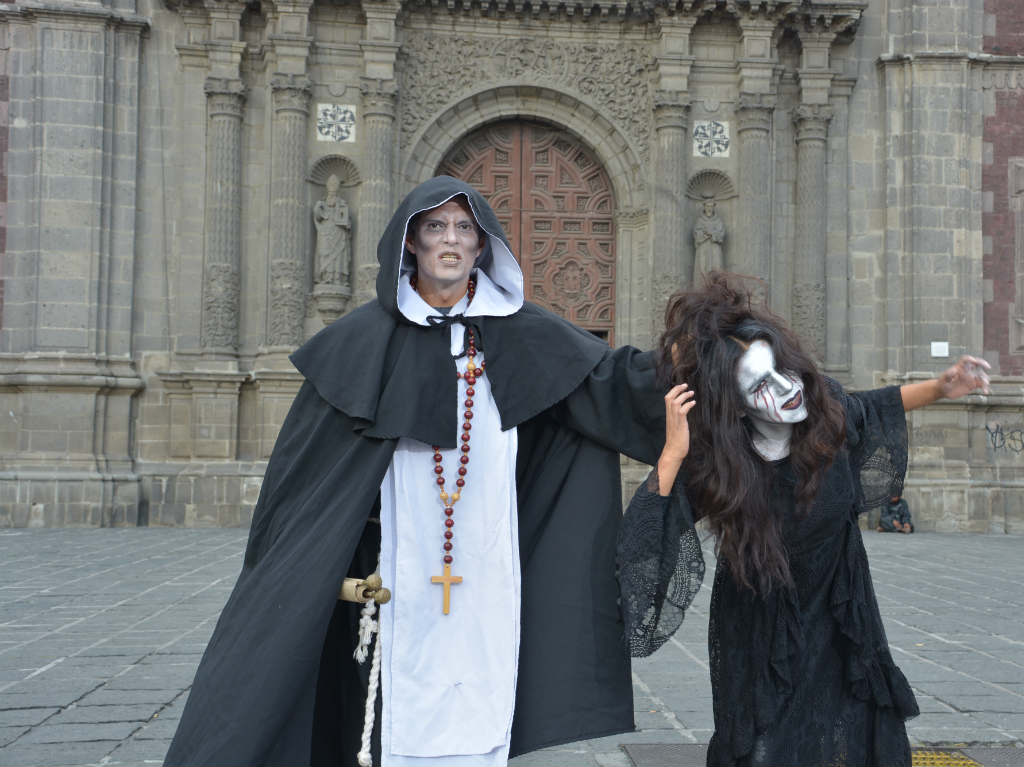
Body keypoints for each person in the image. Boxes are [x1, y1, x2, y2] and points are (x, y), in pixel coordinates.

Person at [165, 176, 666, 767]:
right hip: (398, 567)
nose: (449, 241)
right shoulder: (359, 344)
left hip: (489, 567)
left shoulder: (528, 334)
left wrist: (715, 357)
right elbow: (306, 485)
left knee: (483, 701)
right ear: (411, 243)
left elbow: (610, 387)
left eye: (463, 229)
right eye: (435, 228)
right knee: (395, 709)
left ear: (483, 246)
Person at [617, 272, 990, 767]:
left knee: (852, 732)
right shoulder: (720, 465)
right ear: (736, 405)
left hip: (841, 611)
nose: (785, 389)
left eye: (783, 370)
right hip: (761, 630)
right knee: (771, 746)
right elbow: (645, 546)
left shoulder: (826, 414)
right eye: (760, 385)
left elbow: (872, 405)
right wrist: (672, 454)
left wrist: (943, 387)